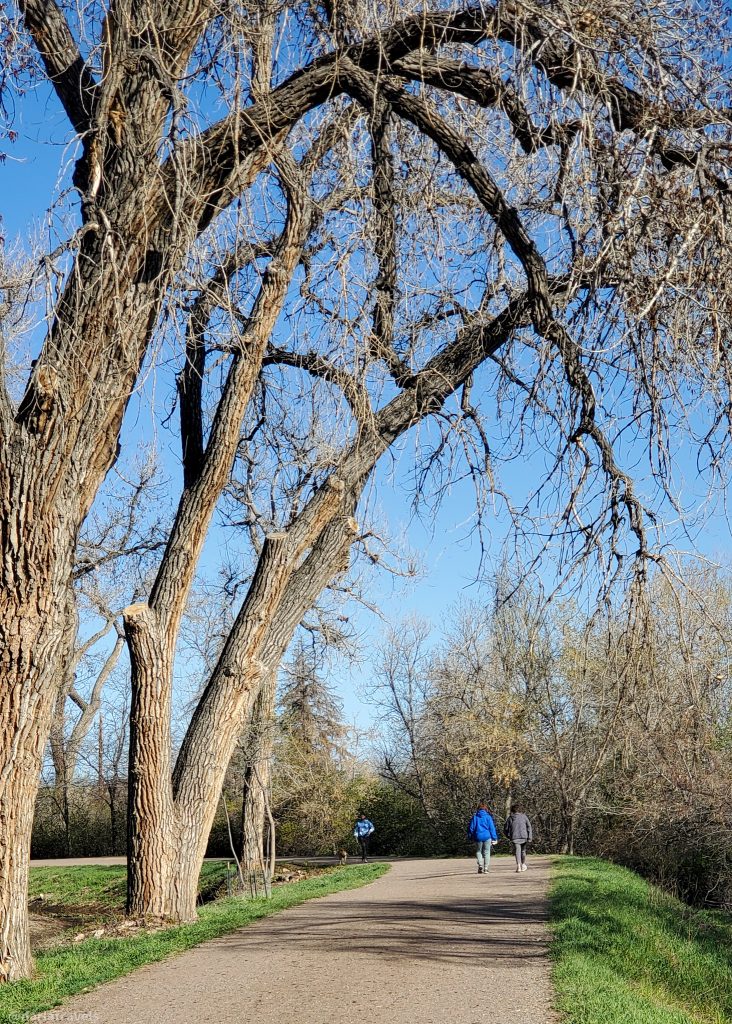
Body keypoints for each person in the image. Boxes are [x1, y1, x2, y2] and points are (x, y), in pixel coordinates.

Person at [467, 801, 498, 874]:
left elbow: (471, 828)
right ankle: (486, 868)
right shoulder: (488, 817)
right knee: (487, 852)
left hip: (478, 837)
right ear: (486, 809)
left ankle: (480, 865)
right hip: (487, 836)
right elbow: (492, 828)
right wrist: (494, 838)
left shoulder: (475, 817)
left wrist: (470, 836)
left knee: (478, 851)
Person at [504, 804, 533, 872]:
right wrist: (530, 837)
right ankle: (523, 864)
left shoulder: (510, 818)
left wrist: (508, 836)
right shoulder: (524, 816)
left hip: (515, 837)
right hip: (524, 836)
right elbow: (529, 827)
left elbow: (506, 828)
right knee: (523, 851)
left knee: (517, 851)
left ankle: (518, 866)